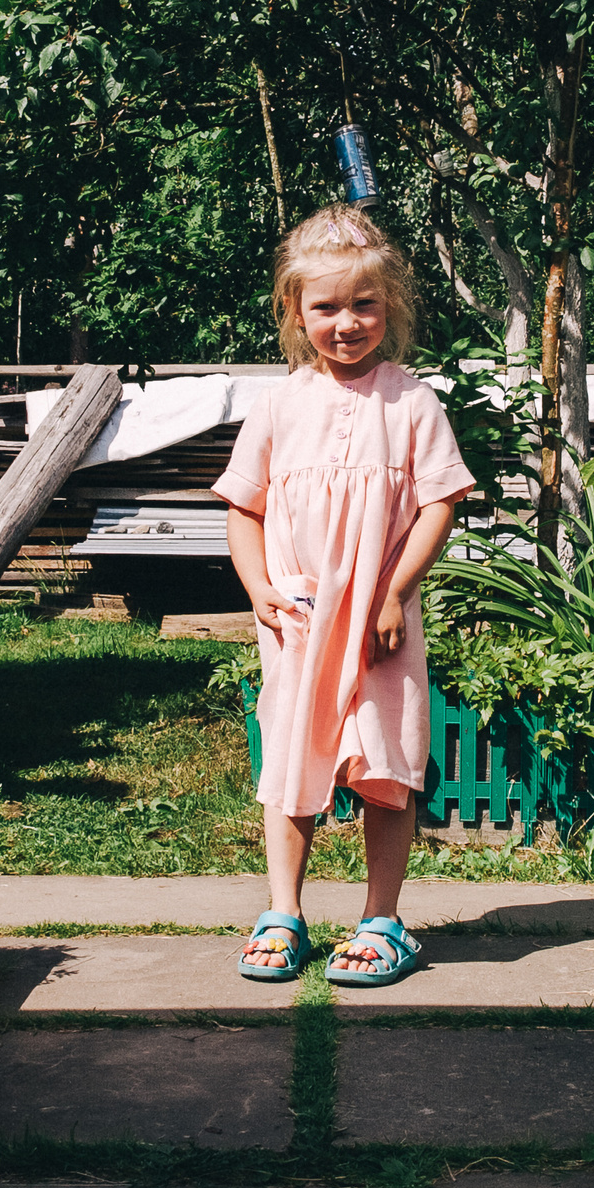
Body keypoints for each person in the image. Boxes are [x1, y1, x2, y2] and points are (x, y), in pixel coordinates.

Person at [211, 206, 474, 986]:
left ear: (387, 305)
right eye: (325, 307)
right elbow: (243, 509)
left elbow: (440, 504)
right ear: (296, 311)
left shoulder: (412, 404)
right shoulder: (280, 406)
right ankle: (283, 912)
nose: (346, 322)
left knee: (386, 766)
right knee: (292, 766)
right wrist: (259, 588)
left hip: (380, 627)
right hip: (298, 622)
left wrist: (395, 591)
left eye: (363, 304)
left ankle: (382, 919)